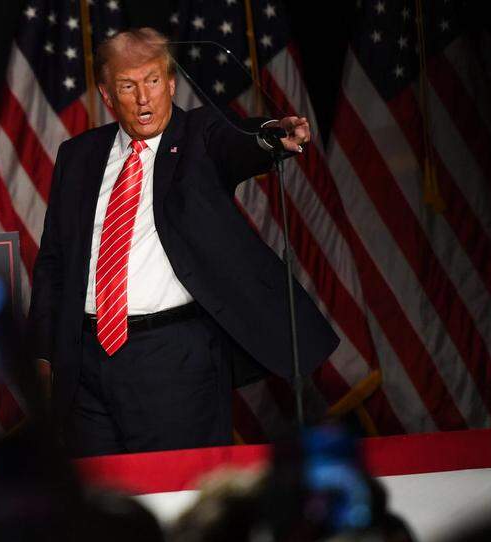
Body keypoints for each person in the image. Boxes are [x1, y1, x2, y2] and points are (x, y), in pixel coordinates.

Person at [28, 28, 338, 457]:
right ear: (107, 94)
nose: (143, 98)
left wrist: (272, 135)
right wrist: (43, 353)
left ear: (170, 83)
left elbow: (239, 141)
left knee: (176, 494)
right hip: (84, 366)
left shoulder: (201, 137)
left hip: (174, 359)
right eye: (128, 85)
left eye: (153, 81)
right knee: (98, 507)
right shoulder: (78, 156)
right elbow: (54, 263)